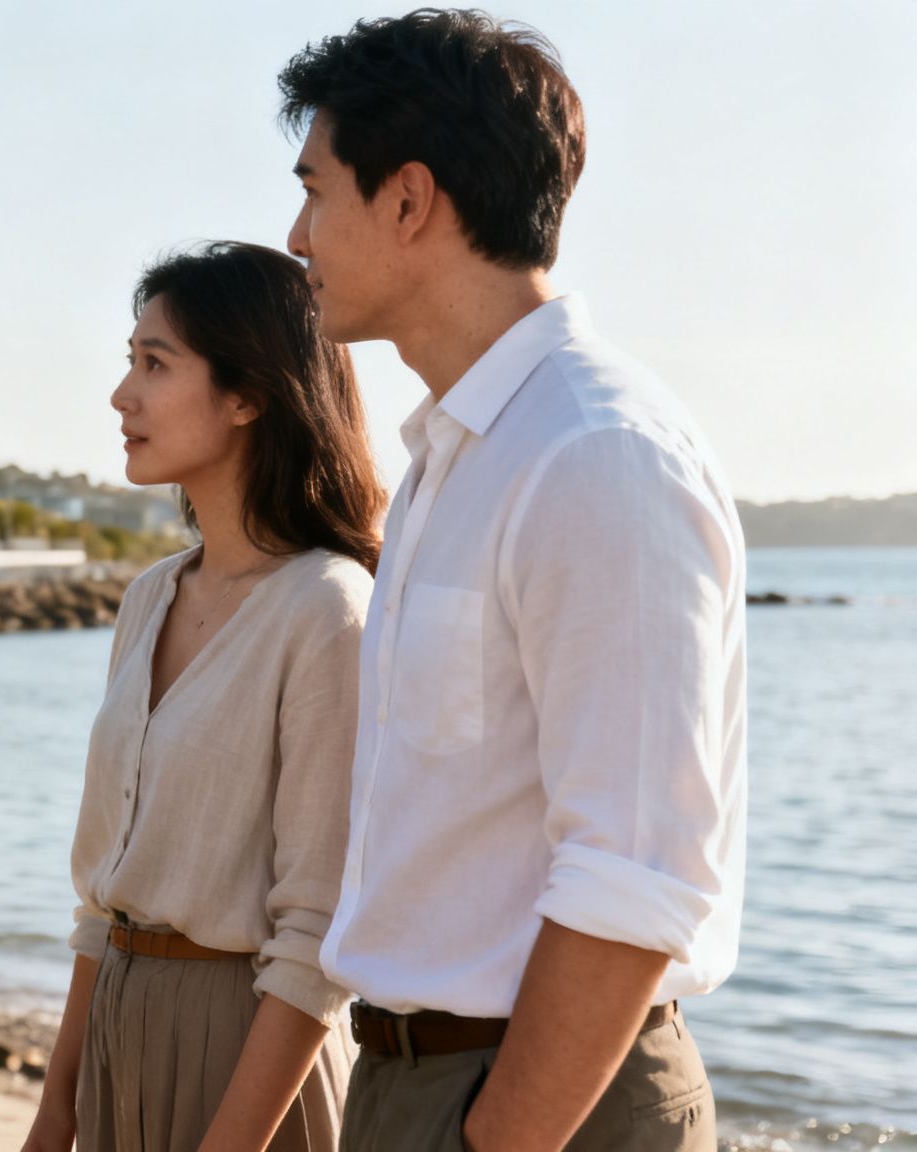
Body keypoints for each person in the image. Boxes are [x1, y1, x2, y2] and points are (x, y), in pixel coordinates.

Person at [277, 11, 747, 1152]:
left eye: (314, 188)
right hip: (416, 1082)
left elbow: (634, 876)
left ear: (406, 200)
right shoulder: (455, 456)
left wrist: (495, 1137)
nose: (293, 234)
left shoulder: (593, 453)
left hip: (537, 1106)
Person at [23, 242, 387, 1152]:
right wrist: (53, 1115)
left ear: (247, 394)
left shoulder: (329, 609)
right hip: (116, 1032)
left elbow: (318, 933)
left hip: (251, 1061)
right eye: (129, 361)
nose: (122, 395)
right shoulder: (150, 596)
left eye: (155, 363)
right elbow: (100, 904)